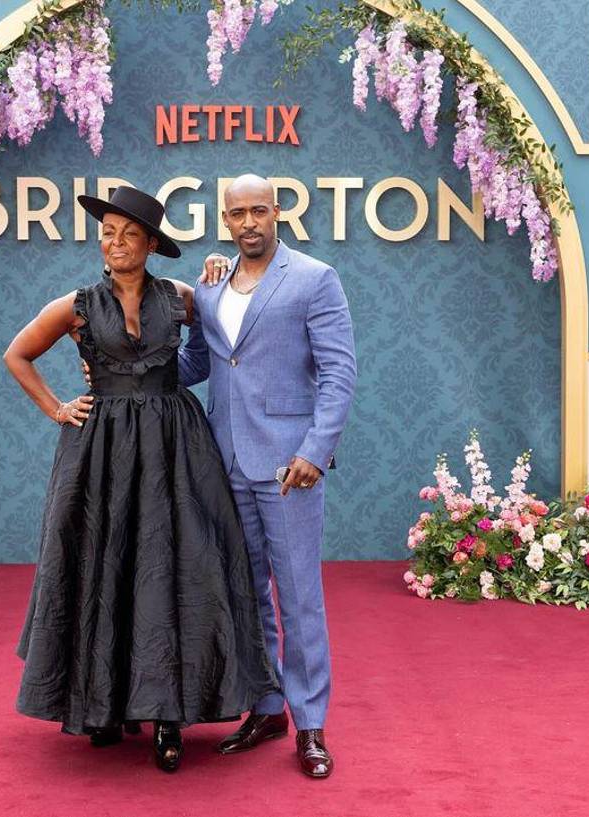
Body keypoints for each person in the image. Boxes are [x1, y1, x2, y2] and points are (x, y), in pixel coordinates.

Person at [4, 185, 279, 774]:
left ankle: (169, 719)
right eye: (108, 233)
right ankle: (101, 707)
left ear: (152, 244)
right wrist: (57, 408)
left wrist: (216, 274)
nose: (117, 243)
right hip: (100, 453)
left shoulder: (182, 298)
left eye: (130, 234)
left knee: (178, 569)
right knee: (105, 564)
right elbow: (17, 355)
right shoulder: (76, 305)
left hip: (175, 449)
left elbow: (217, 343)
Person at [185, 174, 357, 778]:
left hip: (290, 468)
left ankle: (310, 725)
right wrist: (124, 357)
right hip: (224, 461)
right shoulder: (210, 290)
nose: (250, 222)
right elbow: (196, 366)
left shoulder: (314, 278)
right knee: (246, 591)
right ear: (225, 221)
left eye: (260, 210)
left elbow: (339, 373)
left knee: (299, 596)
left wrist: (315, 449)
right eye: (238, 214)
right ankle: (266, 707)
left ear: (277, 212)